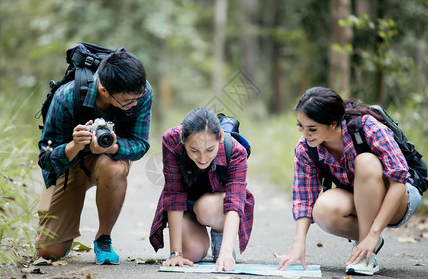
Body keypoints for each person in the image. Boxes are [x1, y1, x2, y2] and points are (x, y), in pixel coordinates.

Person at [278, 87, 421, 276]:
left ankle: (365, 252)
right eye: (300, 126)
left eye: (312, 129)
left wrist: (373, 233)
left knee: (365, 161)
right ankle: (367, 243)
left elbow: (399, 181)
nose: (305, 134)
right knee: (322, 209)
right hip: (358, 198)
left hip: (399, 197)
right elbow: (304, 199)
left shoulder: (367, 127)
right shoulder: (306, 148)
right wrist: (298, 243)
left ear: (333, 124)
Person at [36, 50, 153, 265]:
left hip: (107, 160)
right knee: (49, 252)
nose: (134, 104)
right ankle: (66, 234)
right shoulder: (66, 96)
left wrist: (114, 146)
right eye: (127, 102)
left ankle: (103, 238)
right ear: (104, 90)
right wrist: (73, 146)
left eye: (137, 99)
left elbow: (141, 144)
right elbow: (45, 156)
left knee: (114, 167)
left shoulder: (141, 93)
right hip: (69, 163)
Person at [149, 107, 255, 271]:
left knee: (208, 207)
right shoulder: (171, 140)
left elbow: (235, 201)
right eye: (194, 150)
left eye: (209, 149)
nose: (203, 158)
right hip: (186, 206)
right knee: (191, 253)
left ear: (220, 137)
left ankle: (221, 242)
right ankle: (196, 241)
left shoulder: (235, 151)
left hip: (216, 206)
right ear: (183, 140)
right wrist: (175, 253)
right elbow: (174, 193)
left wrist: (226, 252)